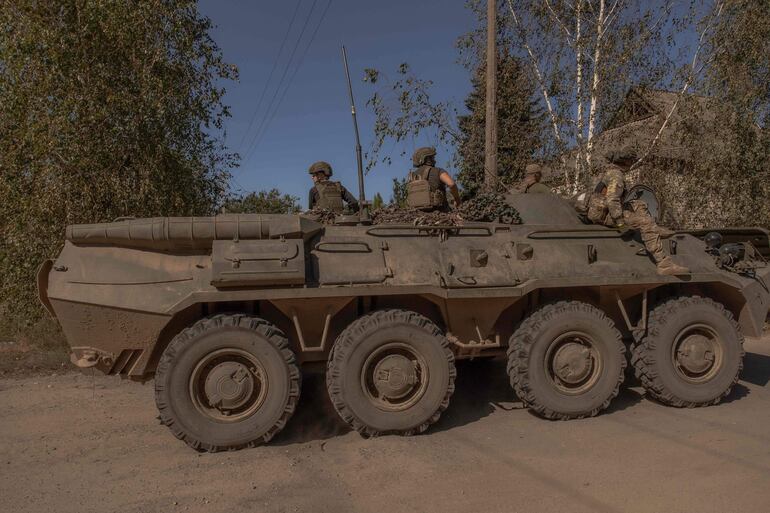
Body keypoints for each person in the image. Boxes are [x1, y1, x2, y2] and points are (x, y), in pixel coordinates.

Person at [587, 152, 689, 276]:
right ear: (626, 162)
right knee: (645, 222)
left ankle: (655, 229)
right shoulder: (616, 175)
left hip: (602, 210)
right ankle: (663, 264)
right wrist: (620, 224)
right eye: (631, 161)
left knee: (639, 204)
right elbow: (612, 200)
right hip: (604, 215)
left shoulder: (609, 171)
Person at [406, 147, 461, 211]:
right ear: (426, 159)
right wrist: (457, 199)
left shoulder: (412, 176)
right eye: (433, 157)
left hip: (417, 212)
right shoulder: (438, 171)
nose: (435, 160)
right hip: (439, 211)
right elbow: (451, 184)